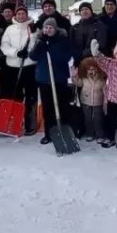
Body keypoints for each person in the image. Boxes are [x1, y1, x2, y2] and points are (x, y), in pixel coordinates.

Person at [29, 17, 76, 146]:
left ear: (55, 29)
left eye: (51, 28)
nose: (48, 30)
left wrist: (51, 48)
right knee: (48, 108)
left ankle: (64, 131)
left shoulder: (62, 40)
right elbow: (32, 56)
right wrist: (40, 45)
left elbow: (67, 56)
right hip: (44, 78)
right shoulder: (40, 40)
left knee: (62, 106)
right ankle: (48, 133)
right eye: (46, 27)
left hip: (59, 78)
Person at [0, 6, 37, 127]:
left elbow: (36, 45)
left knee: (30, 94)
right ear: (16, 15)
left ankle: (30, 121)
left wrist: (29, 53)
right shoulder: (10, 29)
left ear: (26, 15)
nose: (21, 16)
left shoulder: (32, 28)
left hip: (29, 65)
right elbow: (4, 45)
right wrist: (16, 52)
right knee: (15, 94)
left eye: (23, 13)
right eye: (19, 14)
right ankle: (15, 120)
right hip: (13, 66)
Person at [75, 57, 106, 143]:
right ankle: (90, 134)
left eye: (94, 68)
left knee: (98, 119)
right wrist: (74, 76)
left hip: (98, 101)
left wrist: (105, 101)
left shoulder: (101, 79)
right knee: (87, 118)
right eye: (89, 69)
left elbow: (105, 90)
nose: (91, 71)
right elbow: (78, 83)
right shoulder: (84, 78)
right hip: (86, 100)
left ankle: (99, 135)